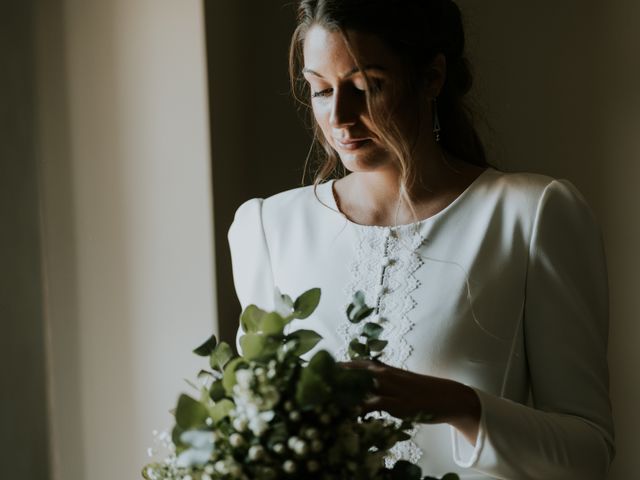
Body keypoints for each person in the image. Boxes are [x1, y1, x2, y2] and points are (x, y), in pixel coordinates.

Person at [227, 0, 615, 478]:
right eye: (321, 90)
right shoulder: (268, 227)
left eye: (367, 86)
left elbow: (589, 452)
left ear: (431, 77)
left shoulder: (533, 213)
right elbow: (257, 436)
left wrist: (452, 403)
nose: (340, 117)